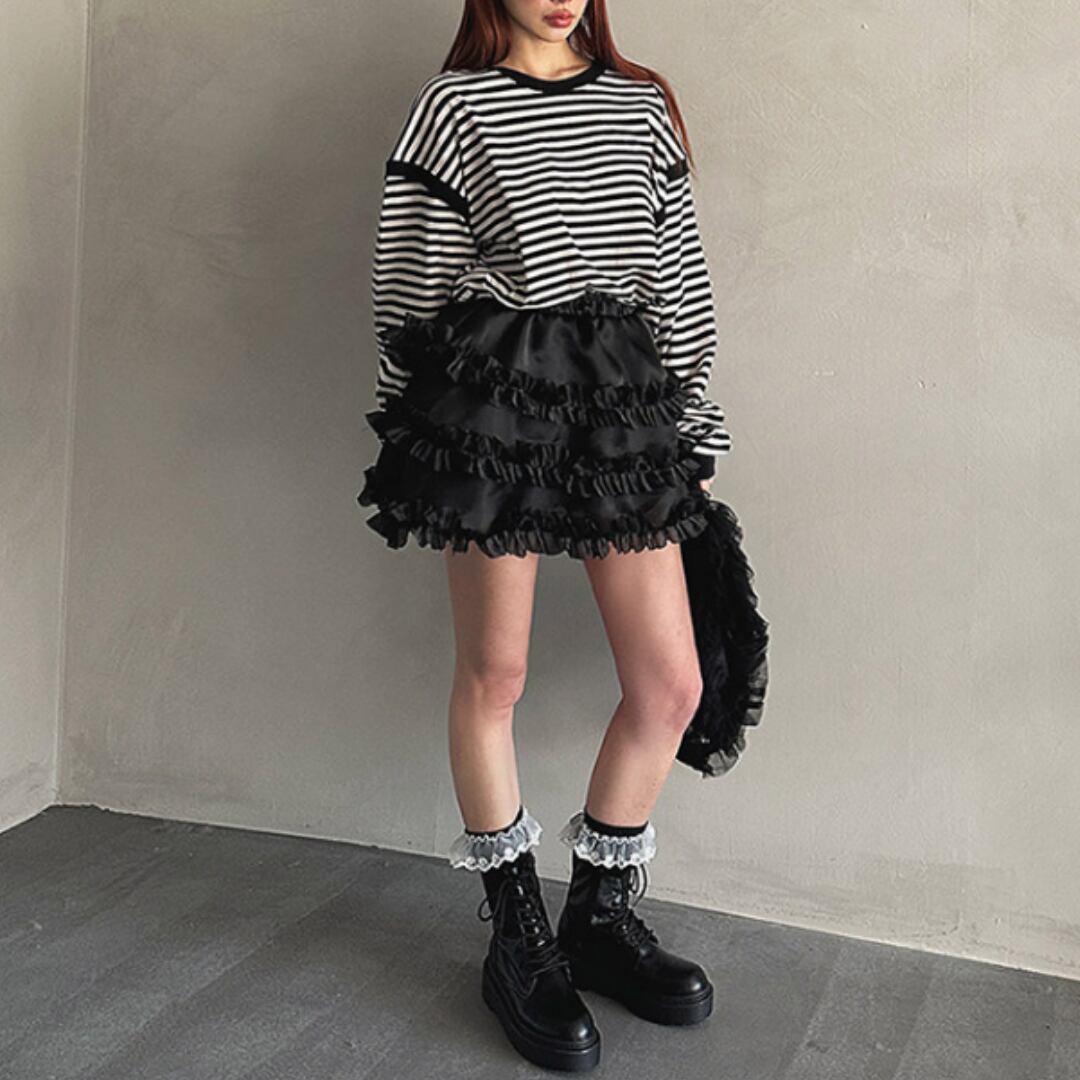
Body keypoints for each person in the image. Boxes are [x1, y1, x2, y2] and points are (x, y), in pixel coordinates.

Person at [357, 1, 729, 1070]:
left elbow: (676, 276)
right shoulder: (452, 107)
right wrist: (419, 432)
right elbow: (409, 288)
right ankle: (516, 936)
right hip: (494, 402)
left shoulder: (639, 106)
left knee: (670, 683)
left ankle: (598, 919)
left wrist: (692, 426)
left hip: (619, 404)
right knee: (497, 672)